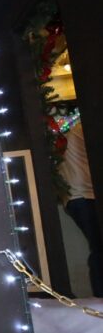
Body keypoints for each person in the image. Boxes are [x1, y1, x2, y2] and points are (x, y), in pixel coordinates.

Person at [58, 119, 103, 297]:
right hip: (85, 194)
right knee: (99, 248)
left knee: (98, 248)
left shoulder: (72, 131)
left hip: (74, 196)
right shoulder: (84, 129)